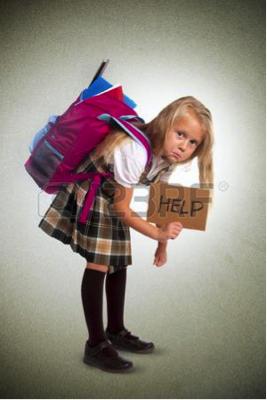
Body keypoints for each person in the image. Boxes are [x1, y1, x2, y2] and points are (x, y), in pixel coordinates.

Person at [39, 95, 214, 373]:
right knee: (99, 263)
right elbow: (123, 209)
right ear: (165, 124)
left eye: (193, 142)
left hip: (112, 197)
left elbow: (161, 200)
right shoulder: (135, 151)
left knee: (118, 260)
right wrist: (157, 235)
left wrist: (163, 245)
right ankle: (95, 344)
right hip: (94, 194)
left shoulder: (167, 159)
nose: (184, 146)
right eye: (180, 134)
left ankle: (116, 330)